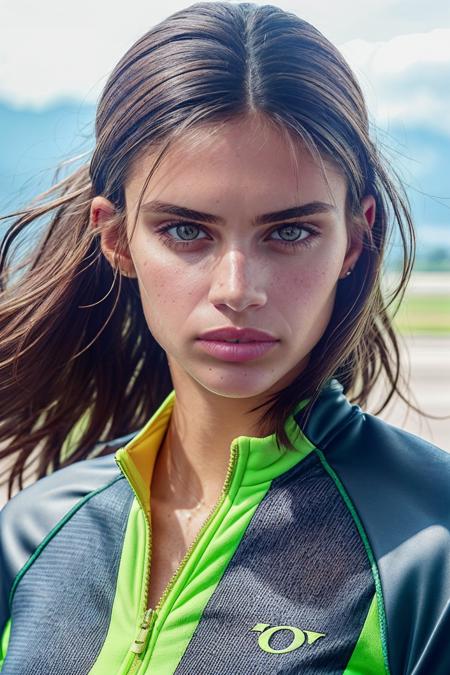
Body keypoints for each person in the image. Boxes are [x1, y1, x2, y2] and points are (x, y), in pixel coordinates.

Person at [0, 2, 448, 673]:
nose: (237, 287)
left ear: (356, 239)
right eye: (186, 231)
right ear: (116, 238)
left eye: (290, 231)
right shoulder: (34, 535)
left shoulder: (430, 550)